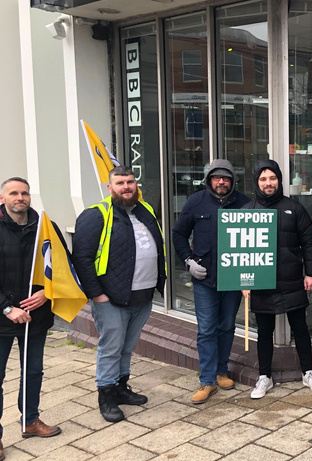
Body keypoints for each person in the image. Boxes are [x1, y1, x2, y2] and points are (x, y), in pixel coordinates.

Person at [72, 166, 166, 422]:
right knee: (111, 347)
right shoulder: (96, 215)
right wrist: (97, 295)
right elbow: (82, 258)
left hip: (143, 296)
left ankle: (122, 387)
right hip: (111, 298)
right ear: (109, 187)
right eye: (121, 182)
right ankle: (106, 395)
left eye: (130, 181)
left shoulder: (145, 210)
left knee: (127, 347)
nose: (127, 187)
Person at [242, 160, 312, 398]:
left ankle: (308, 373)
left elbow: (309, 241)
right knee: (264, 332)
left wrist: (311, 273)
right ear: (257, 182)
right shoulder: (248, 211)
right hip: (261, 282)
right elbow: (240, 250)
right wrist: (242, 282)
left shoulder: (294, 208)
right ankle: (264, 377)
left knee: (300, 328)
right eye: (263, 179)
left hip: (291, 280)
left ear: (279, 179)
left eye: (273, 178)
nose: (269, 183)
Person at [172, 159, 250, 404]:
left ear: (232, 180)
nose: (221, 182)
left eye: (226, 178)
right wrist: (188, 261)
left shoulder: (245, 203)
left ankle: (221, 371)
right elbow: (179, 234)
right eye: (217, 178)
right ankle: (206, 381)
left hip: (233, 279)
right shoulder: (196, 202)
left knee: (227, 326)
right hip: (204, 279)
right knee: (206, 330)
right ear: (209, 180)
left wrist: (250, 273)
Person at [0, 178, 62, 451]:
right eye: (13, 193)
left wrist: (47, 292)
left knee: (33, 371)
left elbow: (62, 268)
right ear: (2, 198)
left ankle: (30, 420)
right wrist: (6, 308)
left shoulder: (45, 228)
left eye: (24, 192)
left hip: (36, 317)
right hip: (3, 318)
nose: (20, 197)